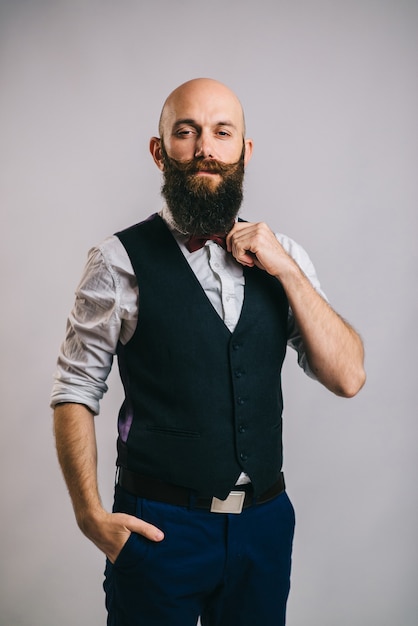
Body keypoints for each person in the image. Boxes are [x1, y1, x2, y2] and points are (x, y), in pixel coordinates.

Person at [51, 77, 366, 626]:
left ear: (244, 151)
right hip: (158, 529)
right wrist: (90, 517)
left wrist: (286, 269)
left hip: (263, 528)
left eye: (222, 133)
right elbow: (75, 390)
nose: (205, 149)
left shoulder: (283, 255)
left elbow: (348, 377)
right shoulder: (117, 260)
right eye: (186, 131)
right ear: (159, 150)